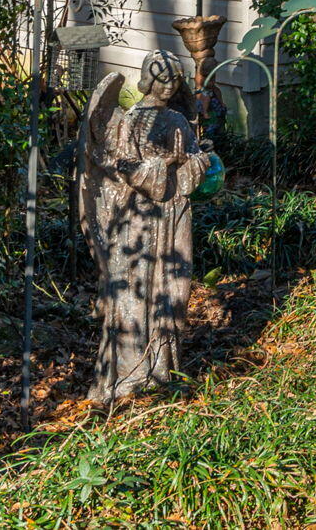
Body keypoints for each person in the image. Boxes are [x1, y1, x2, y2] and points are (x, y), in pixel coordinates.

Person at [79, 55, 213, 406]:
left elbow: (195, 161)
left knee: (172, 288)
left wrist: (195, 162)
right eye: (163, 80)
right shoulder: (131, 121)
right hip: (138, 219)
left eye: (174, 80)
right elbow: (123, 168)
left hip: (173, 213)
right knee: (136, 290)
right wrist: (164, 164)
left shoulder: (179, 118)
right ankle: (130, 374)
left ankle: (161, 369)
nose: (169, 86)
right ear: (148, 81)